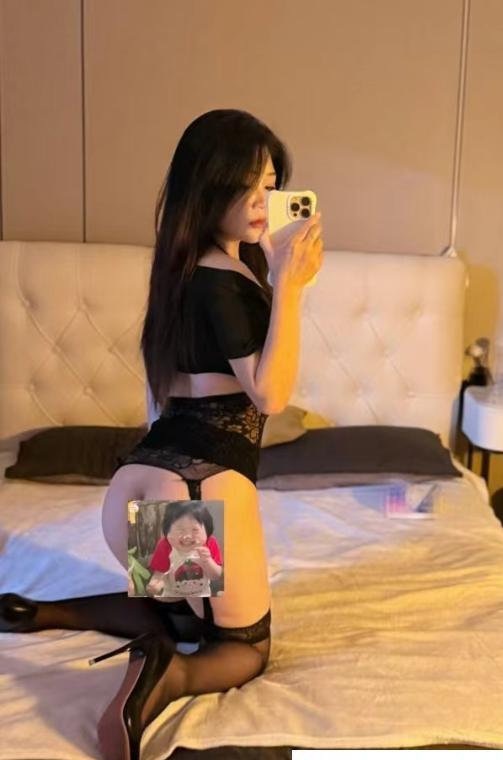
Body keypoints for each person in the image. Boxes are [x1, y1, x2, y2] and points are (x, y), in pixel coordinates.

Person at [0, 108, 323, 760]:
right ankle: (164, 675)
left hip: (140, 481)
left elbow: (160, 401)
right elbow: (270, 394)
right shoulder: (231, 284)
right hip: (202, 491)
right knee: (243, 648)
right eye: (245, 186)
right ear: (208, 186)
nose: (261, 202)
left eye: (269, 185)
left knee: (183, 609)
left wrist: (273, 268)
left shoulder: (181, 272)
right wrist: (288, 285)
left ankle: (48, 612)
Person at [146, 502, 223, 598]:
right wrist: (155, 585)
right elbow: (159, 575)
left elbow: (215, 576)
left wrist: (208, 560)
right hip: (172, 597)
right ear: (167, 531)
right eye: (180, 529)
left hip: (202, 596)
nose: (187, 536)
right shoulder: (165, 545)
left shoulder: (210, 543)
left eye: (195, 530)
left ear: (207, 530)